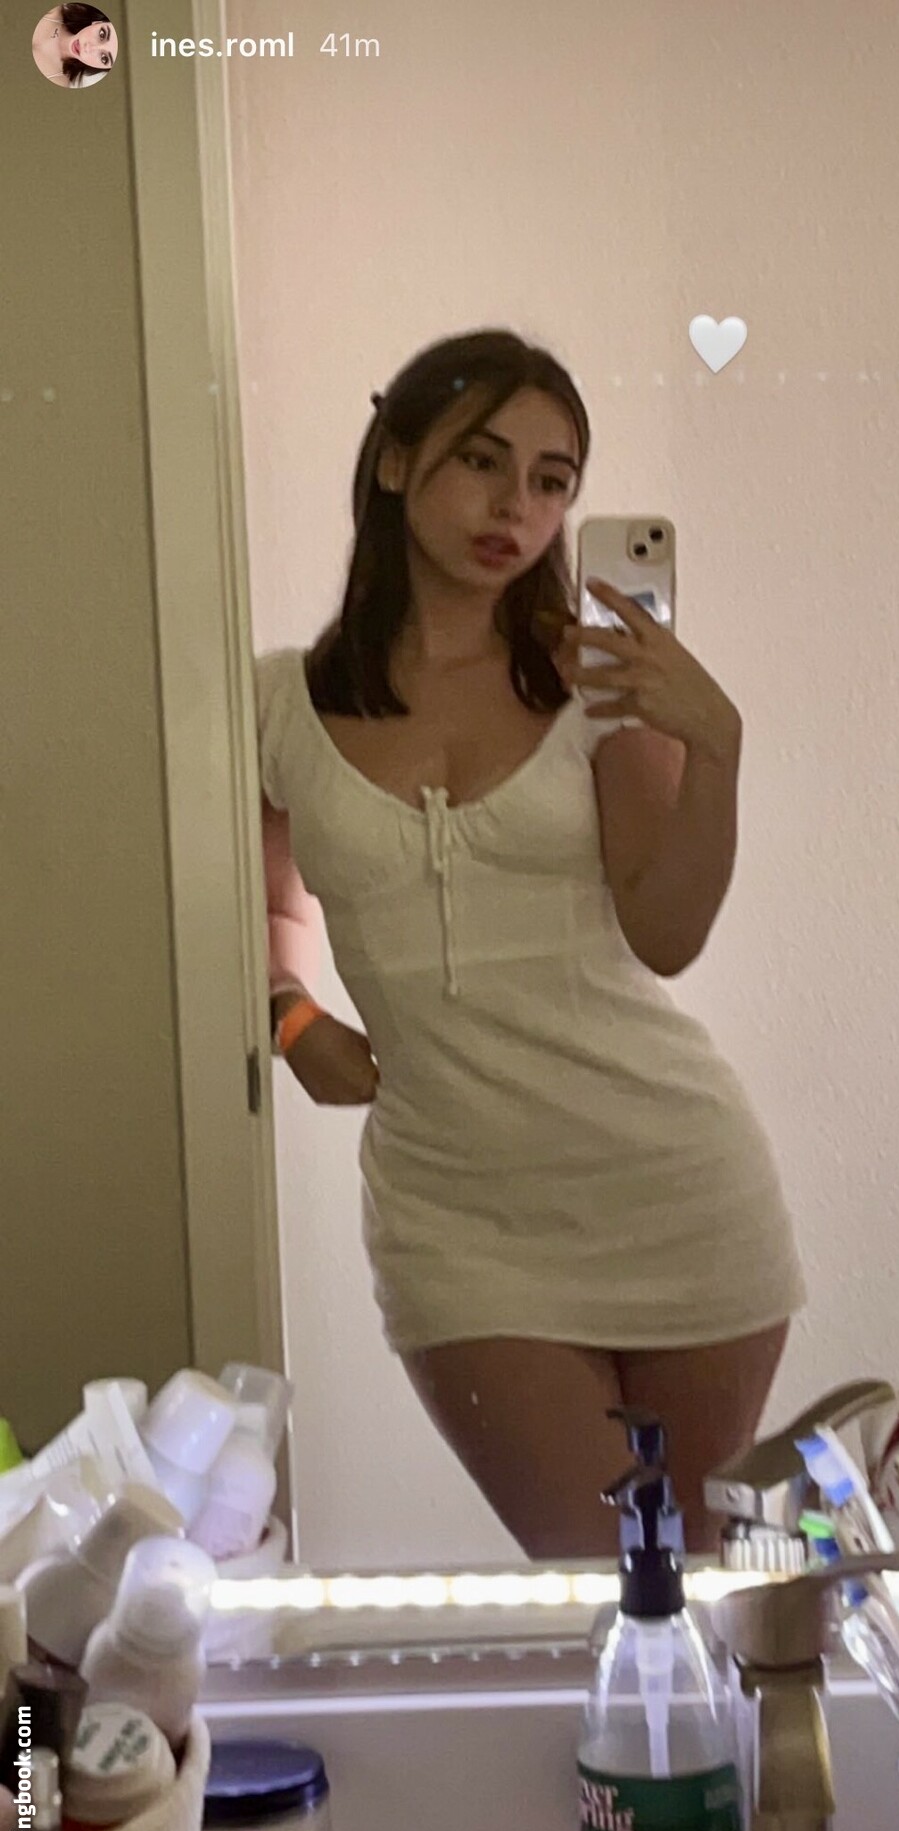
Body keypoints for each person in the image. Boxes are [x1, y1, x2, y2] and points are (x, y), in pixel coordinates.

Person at [257, 329, 807, 1559]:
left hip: (676, 1190)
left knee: (688, 1592)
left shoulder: (598, 685)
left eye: (552, 480)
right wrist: (290, 1016)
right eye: (482, 461)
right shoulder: (277, 704)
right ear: (395, 461)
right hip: (458, 1221)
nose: (517, 506)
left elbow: (666, 934)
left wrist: (715, 745)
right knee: (596, 1582)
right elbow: (250, 906)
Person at [31, 5, 117, 88]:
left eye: (104, 58)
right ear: (97, 23)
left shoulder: (56, 85)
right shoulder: (50, 11)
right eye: (102, 34)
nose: (89, 48)